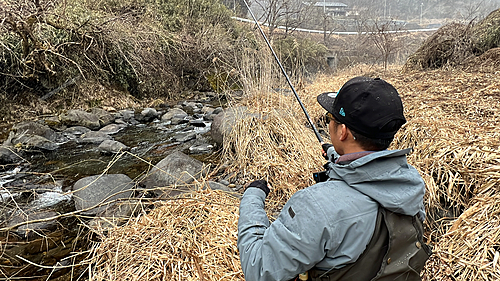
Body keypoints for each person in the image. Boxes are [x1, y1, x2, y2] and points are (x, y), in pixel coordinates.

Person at [237, 77, 431, 281]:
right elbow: (369, 174)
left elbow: (259, 269)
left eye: (331, 116)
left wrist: (253, 196)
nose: (329, 121)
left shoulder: (316, 205)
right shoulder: (411, 183)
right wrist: (336, 156)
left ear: (343, 131)